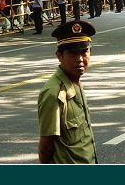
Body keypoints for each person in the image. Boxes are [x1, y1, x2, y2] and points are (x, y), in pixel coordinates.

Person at [37, 20, 98, 164]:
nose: (80, 59)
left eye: (84, 52)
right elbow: (45, 149)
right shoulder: (54, 93)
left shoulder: (75, 81)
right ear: (59, 56)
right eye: (72, 53)